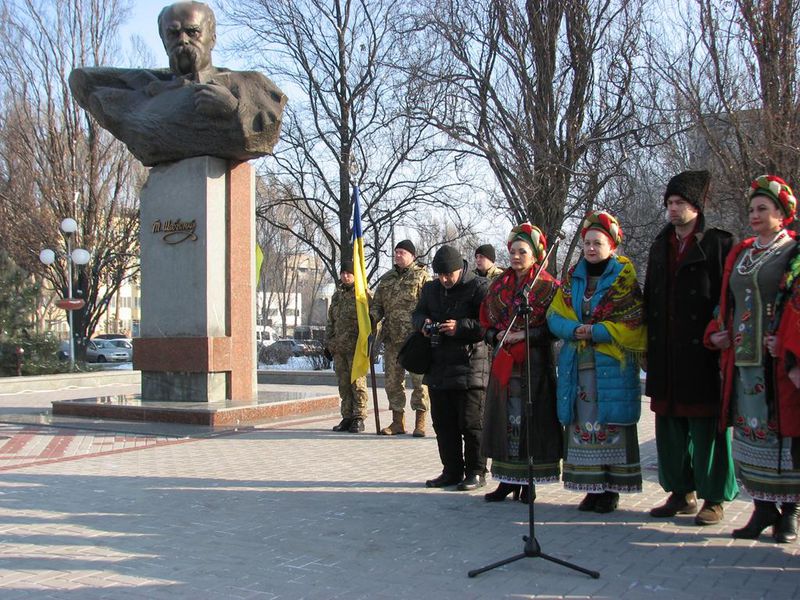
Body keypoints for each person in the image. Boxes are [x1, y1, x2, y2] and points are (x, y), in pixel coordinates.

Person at [68, 1, 286, 166]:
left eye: (192, 32)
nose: (182, 40)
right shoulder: (147, 89)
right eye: (173, 33)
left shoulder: (249, 83)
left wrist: (233, 109)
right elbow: (82, 79)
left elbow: (262, 135)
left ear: (213, 37)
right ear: (163, 39)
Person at [706, 175, 800, 543]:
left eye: (763, 208)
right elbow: (726, 302)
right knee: (749, 432)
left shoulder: (793, 252)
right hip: (742, 359)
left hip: (777, 361)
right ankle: (761, 509)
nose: (755, 215)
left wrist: (789, 343)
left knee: (783, 435)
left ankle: (789, 514)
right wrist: (716, 333)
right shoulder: (742, 252)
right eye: (751, 209)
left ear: (783, 213)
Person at [644, 170, 738, 526]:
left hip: (702, 353)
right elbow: (650, 296)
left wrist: (719, 331)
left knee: (706, 427)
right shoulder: (659, 245)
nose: (672, 209)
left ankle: (713, 497)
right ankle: (680, 492)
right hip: (665, 352)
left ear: (697, 207)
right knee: (669, 425)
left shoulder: (718, 244)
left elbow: (728, 297)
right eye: (669, 203)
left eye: (679, 203)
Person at [547, 211, 645, 513]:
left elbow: (634, 322)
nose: (590, 248)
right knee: (582, 423)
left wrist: (597, 330)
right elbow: (554, 315)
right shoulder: (574, 277)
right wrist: (573, 329)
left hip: (611, 365)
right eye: (587, 243)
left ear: (611, 246)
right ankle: (590, 486)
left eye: (597, 243)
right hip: (579, 364)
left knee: (610, 422)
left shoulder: (623, 279)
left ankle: (612, 489)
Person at [479, 223, 562, 502]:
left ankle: (529, 481)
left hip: (534, 366)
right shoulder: (498, 285)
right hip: (504, 364)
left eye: (522, 251)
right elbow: (484, 326)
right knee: (505, 420)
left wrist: (525, 334)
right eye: (512, 251)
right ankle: (505, 479)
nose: (516, 256)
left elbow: (553, 329)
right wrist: (496, 334)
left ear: (536, 254)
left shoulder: (548, 286)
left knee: (530, 420)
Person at [412, 246, 490, 490]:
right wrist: (423, 323)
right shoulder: (430, 289)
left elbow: (488, 323)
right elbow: (417, 313)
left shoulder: (479, 287)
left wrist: (460, 327)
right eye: (440, 275)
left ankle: (476, 472)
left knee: (471, 424)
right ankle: (451, 470)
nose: (445, 280)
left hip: (470, 367)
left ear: (460, 269)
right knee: (443, 424)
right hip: (438, 365)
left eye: (449, 275)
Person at [370, 240, 431, 436]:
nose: (397, 256)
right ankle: (398, 422)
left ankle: (420, 422)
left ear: (412, 256)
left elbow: (430, 304)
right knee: (392, 382)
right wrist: (371, 317)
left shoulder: (422, 276)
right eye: (396, 252)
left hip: (415, 339)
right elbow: (377, 305)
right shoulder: (386, 279)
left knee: (419, 382)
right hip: (392, 339)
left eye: (402, 252)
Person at [326, 260, 371, 433]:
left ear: (355, 275)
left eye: (349, 273)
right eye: (343, 273)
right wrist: (329, 343)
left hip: (356, 348)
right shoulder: (337, 296)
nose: (346, 276)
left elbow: (372, 319)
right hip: (339, 348)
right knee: (343, 384)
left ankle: (359, 417)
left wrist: (369, 341)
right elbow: (331, 321)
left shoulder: (363, 295)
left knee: (357, 383)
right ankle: (347, 416)